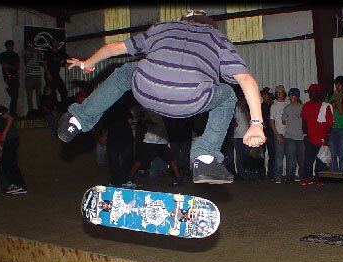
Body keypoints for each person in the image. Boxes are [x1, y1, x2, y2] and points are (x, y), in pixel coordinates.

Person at [57, 10, 265, 185]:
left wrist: (88, 63)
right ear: (209, 25)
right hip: (191, 99)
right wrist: (256, 123)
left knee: (124, 73)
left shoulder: (162, 28)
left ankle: (76, 120)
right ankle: (205, 158)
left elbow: (113, 48)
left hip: (147, 89)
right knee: (228, 94)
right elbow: (246, 79)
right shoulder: (217, 38)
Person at [0, 102, 27, 194]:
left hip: (11, 138)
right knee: (7, 162)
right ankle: (15, 184)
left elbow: (10, 118)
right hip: (9, 140)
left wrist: (5, 132)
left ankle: (18, 185)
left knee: (10, 163)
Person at [300, 83, 333, 185]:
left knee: (321, 161)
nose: (310, 94)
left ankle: (319, 179)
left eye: (311, 92)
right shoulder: (306, 105)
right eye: (309, 92)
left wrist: (327, 137)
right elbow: (304, 121)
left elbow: (329, 124)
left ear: (317, 93)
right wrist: (305, 134)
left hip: (322, 138)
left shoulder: (326, 107)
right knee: (308, 160)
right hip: (310, 138)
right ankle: (307, 178)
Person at [102, 93, 135, 187]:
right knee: (116, 159)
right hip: (117, 135)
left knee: (121, 159)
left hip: (121, 135)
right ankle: (117, 181)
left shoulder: (121, 105)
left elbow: (129, 119)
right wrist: (103, 135)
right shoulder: (112, 106)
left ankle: (120, 180)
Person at [281, 87, 304, 183]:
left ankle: (303, 177)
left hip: (301, 137)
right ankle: (289, 177)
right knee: (291, 161)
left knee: (302, 160)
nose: (290, 97)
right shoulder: (287, 108)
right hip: (290, 137)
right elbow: (283, 121)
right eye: (290, 95)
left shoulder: (303, 107)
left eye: (292, 95)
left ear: (297, 96)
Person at [326, 75, 343, 172]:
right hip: (331, 127)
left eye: (339, 84)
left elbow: (341, 111)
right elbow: (325, 108)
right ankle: (334, 173)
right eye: (336, 84)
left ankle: (342, 173)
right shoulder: (329, 94)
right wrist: (331, 105)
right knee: (333, 152)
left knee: (342, 153)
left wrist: (337, 97)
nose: (337, 86)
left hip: (342, 127)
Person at [269, 85, 290, 183]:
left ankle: (290, 174)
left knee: (290, 155)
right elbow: (271, 122)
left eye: (281, 92)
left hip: (289, 133)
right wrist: (277, 134)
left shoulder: (288, 103)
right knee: (279, 156)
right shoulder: (274, 106)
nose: (280, 94)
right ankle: (278, 175)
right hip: (279, 133)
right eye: (278, 92)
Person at [44, 36, 69, 109]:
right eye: (54, 42)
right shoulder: (48, 53)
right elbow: (45, 64)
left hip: (56, 74)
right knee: (52, 92)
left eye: (56, 42)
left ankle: (63, 108)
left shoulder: (60, 53)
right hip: (49, 74)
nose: (55, 43)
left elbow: (68, 57)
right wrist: (48, 74)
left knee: (63, 91)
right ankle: (54, 108)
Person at [0, 40, 20, 117]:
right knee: (14, 95)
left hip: (15, 75)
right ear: (6, 46)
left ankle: (13, 112)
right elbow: (4, 66)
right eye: (9, 46)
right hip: (9, 76)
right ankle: (12, 113)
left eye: (11, 45)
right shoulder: (3, 54)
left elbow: (17, 67)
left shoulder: (15, 55)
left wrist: (10, 66)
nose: (10, 47)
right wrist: (8, 75)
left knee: (15, 95)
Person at [23, 41, 43, 117]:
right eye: (29, 45)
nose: (31, 46)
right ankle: (31, 110)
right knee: (29, 94)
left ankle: (40, 109)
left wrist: (35, 52)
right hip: (29, 75)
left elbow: (40, 59)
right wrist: (29, 53)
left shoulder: (37, 51)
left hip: (37, 74)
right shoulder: (25, 52)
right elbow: (25, 62)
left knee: (38, 93)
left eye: (32, 45)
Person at [260, 87, 275, 179]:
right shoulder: (260, 106)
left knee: (272, 154)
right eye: (263, 95)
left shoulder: (274, 106)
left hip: (271, 134)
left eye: (265, 94)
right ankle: (261, 173)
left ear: (270, 96)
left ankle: (271, 174)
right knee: (260, 154)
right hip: (262, 133)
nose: (264, 96)